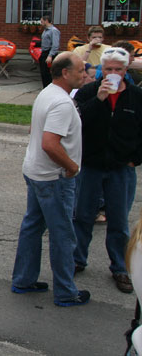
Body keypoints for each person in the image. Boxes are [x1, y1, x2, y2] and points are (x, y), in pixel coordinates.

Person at [12, 52, 91, 306]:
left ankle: (23, 280)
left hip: (35, 171)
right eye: (80, 70)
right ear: (65, 73)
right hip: (53, 177)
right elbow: (49, 143)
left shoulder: (47, 93)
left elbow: (35, 130)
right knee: (63, 234)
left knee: (32, 227)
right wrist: (72, 167)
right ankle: (66, 292)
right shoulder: (62, 103)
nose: (85, 74)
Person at [72, 46, 142, 294]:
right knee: (83, 216)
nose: (113, 73)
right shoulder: (88, 92)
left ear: (125, 70)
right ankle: (77, 259)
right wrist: (99, 100)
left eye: (118, 69)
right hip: (91, 165)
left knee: (119, 221)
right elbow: (76, 122)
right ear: (102, 69)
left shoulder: (135, 96)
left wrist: (135, 158)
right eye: (108, 69)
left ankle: (120, 268)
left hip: (120, 168)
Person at [39, 14, 60, 88]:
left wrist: (50, 55)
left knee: (48, 73)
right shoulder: (45, 30)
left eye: (42, 21)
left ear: (46, 21)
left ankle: (49, 88)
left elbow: (55, 44)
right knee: (43, 73)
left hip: (49, 53)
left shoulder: (53, 31)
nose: (41, 23)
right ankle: (45, 87)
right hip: (44, 52)